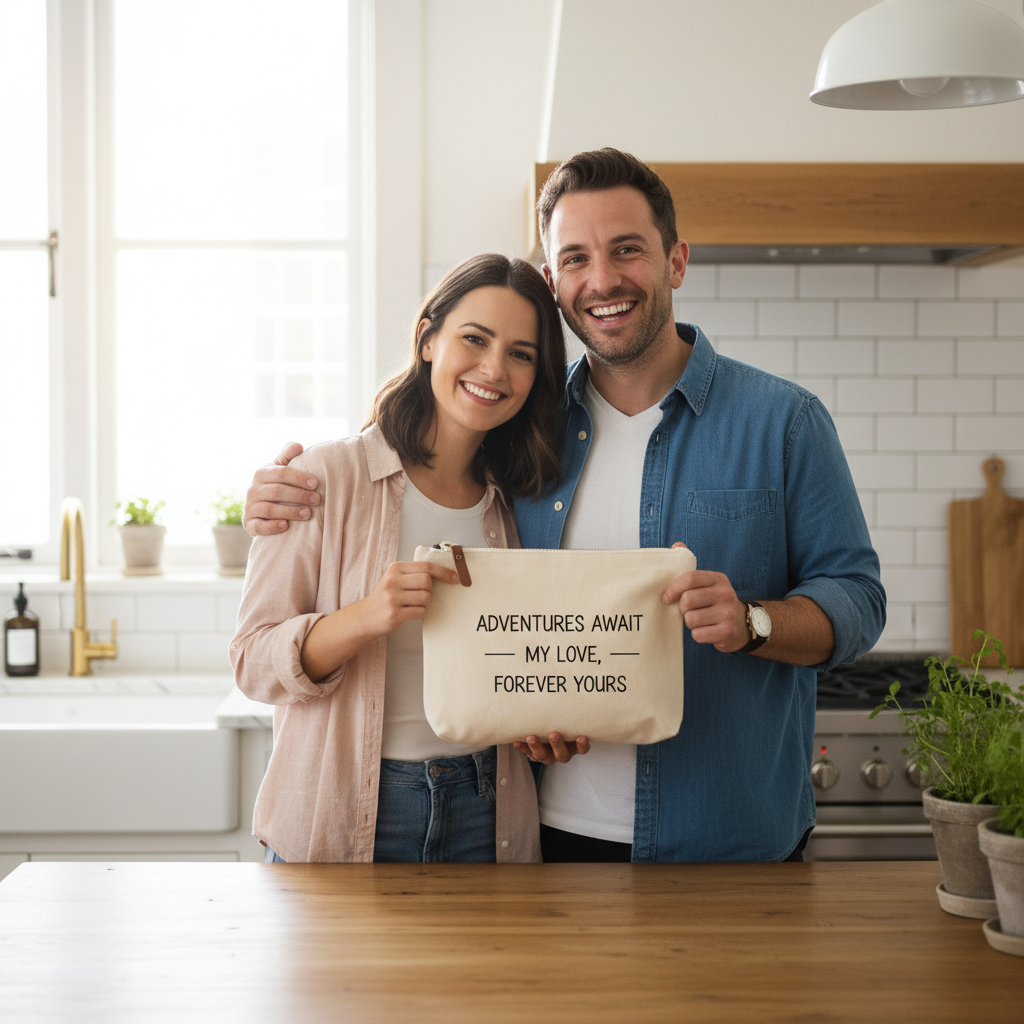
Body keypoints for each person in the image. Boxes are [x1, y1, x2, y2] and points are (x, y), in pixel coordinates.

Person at [244, 149, 886, 864]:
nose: (603, 279)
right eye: (576, 258)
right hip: (541, 838)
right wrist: (286, 491)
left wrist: (754, 620)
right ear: (554, 282)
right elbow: (424, 481)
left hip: (727, 839)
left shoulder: (784, 422)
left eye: (627, 251)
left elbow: (858, 600)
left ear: (676, 261)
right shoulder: (523, 433)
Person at [231, 253, 574, 864]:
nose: (494, 369)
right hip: (345, 810)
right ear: (427, 339)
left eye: (521, 353)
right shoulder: (323, 478)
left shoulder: (520, 502)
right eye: (475, 338)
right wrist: (369, 615)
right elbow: (253, 663)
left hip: (487, 809)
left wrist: (541, 724)